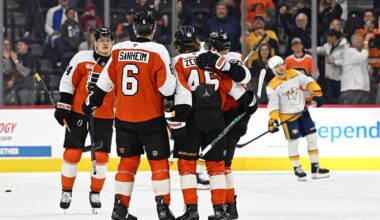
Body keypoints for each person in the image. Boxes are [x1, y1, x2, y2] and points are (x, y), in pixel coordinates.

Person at [82, 11, 176, 220]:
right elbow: (167, 88)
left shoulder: (118, 50)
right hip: (151, 118)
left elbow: (104, 84)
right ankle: (162, 208)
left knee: (127, 163)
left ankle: (120, 208)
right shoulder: (158, 50)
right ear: (153, 29)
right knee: (159, 163)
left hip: (124, 118)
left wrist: (92, 100)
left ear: (134, 29)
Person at [170, 25, 255, 220]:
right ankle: (220, 210)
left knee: (187, 165)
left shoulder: (177, 62)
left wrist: (178, 122)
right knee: (217, 166)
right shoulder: (212, 60)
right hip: (217, 119)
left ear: (177, 45)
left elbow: (181, 92)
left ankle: (191, 210)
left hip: (192, 118)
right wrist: (249, 103)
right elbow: (233, 87)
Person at [54, 27, 115, 213]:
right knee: (72, 153)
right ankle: (66, 191)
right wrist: (64, 105)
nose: (105, 43)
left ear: (113, 42)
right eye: (101, 39)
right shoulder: (82, 58)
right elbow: (67, 81)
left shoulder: (118, 62)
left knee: (102, 157)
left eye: (108, 40)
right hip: (78, 113)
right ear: (94, 42)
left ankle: (95, 192)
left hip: (104, 115)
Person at [203, 28, 256, 219]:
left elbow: (243, 77)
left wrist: (249, 103)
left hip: (235, 114)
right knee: (221, 163)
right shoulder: (208, 57)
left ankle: (229, 206)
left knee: (223, 164)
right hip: (220, 115)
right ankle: (229, 207)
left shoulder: (232, 57)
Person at [266, 55, 330, 181]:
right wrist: (273, 120)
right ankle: (297, 168)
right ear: (273, 70)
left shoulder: (293, 73)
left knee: (312, 138)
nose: (281, 67)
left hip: (303, 112)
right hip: (288, 118)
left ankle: (315, 167)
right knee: (293, 142)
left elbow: (308, 81)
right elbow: (273, 105)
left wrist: (316, 93)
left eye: (282, 64)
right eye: (277, 66)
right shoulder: (272, 86)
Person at [316, 29, 349, 104]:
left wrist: (335, 62)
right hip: (329, 77)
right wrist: (307, 50)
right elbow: (320, 50)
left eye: (329, 37)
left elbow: (346, 62)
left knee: (338, 98)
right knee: (329, 98)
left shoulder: (345, 47)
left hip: (339, 78)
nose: (327, 39)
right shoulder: (327, 46)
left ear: (334, 37)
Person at [340, 34, 371, 104]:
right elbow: (364, 56)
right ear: (355, 43)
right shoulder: (349, 51)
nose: (363, 43)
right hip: (352, 88)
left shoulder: (358, 53)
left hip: (362, 88)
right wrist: (366, 41)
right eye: (361, 41)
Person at [10, 38, 37, 105]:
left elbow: (27, 72)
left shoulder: (30, 57)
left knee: (27, 110)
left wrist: (16, 61)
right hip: (16, 87)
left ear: (26, 46)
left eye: (20, 45)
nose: (18, 47)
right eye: (17, 45)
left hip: (26, 88)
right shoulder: (17, 56)